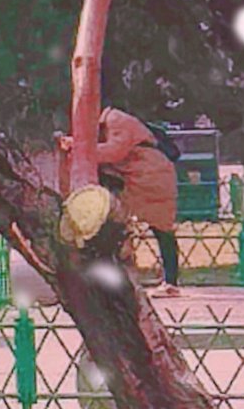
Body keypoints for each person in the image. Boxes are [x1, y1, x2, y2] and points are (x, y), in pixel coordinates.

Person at [59, 108, 182, 288]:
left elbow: (114, 152)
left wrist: (77, 146)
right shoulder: (109, 122)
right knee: (146, 228)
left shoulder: (117, 121)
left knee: (159, 229)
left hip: (148, 179)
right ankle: (155, 277)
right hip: (138, 178)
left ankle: (169, 280)